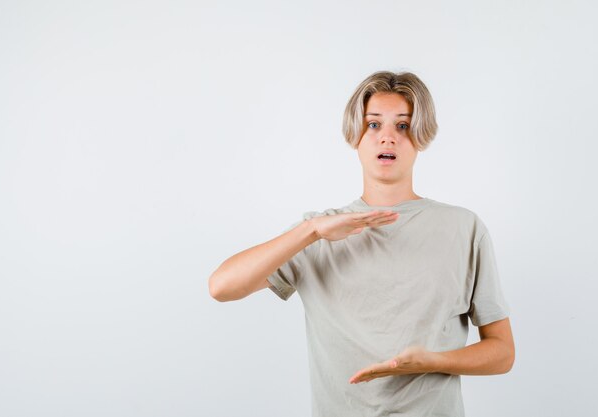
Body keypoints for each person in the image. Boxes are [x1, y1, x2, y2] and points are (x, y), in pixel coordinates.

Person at [208, 70, 515, 416]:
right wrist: (311, 231)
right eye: (373, 125)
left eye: (402, 126)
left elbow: (502, 352)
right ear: (355, 135)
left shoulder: (463, 227)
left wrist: (432, 361)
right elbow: (222, 287)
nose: (387, 138)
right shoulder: (318, 233)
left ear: (421, 136)